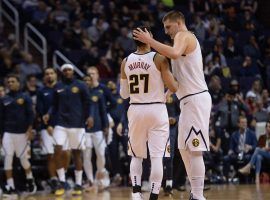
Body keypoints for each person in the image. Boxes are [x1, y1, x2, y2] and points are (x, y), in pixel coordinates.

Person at [133, 11, 212, 200]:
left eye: (168, 27)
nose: (166, 31)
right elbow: (179, 77)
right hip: (187, 99)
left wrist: (150, 42)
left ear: (178, 23)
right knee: (184, 149)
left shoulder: (184, 36)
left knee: (195, 148)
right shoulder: (180, 39)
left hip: (196, 99)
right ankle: (195, 192)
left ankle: (199, 195)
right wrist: (167, 93)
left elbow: (174, 53)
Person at [120, 26, 179, 200]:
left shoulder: (125, 61)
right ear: (148, 37)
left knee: (136, 155)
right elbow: (174, 87)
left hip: (136, 109)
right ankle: (153, 196)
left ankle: (136, 193)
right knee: (156, 157)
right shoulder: (159, 58)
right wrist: (165, 93)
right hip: (156, 109)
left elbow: (123, 94)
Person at [43, 64, 92, 196]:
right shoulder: (57, 86)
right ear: (62, 72)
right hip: (61, 124)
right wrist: (48, 113)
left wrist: (90, 116)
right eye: (64, 70)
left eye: (69, 69)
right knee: (57, 150)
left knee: (76, 153)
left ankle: (78, 183)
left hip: (77, 124)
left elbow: (88, 103)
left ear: (73, 71)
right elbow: (54, 105)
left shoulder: (81, 85)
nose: (67, 72)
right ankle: (62, 182)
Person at [0, 74, 37, 197]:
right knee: (8, 158)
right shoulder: (4, 99)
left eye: (12, 81)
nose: (10, 83)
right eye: (8, 82)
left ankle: (30, 179)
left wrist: (30, 129)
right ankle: (11, 186)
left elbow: (31, 115)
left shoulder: (25, 97)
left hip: (22, 134)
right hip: (8, 133)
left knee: (24, 160)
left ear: (18, 83)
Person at [36, 67, 69, 192]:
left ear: (56, 75)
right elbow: (40, 110)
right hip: (47, 127)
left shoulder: (63, 87)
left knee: (65, 152)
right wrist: (47, 125)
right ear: (44, 76)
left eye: (51, 73)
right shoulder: (41, 91)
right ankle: (54, 180)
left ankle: (63, 178)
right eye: (47, 73)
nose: (49, 75)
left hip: (63, 125)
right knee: (50, 154)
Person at [82, 75, 109, 191]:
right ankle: (90, 181)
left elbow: (103, 110)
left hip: (98, 129)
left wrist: (106, 126)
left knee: (101, 154)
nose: (87, 82)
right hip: (84, 130)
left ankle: (101, 176)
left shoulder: (98, 93)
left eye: (89, 80)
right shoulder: (79, 95)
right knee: (87, 156)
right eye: (85, 81)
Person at [223, 116, 257, 182]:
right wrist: (230, 151)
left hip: (247, 154)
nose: (244, 124)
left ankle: (247, 180)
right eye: (242, 122)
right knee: (226, 158)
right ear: (238, 124)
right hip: (236, 154)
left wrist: (250, 147)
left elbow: (256, 146)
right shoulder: (234, 134)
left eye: (245, 122)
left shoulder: (252, 134)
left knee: (248, 158)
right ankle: (225, 179)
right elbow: (231, 147)